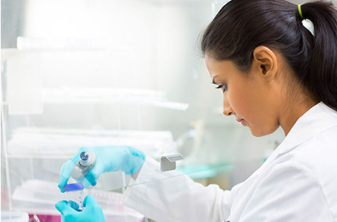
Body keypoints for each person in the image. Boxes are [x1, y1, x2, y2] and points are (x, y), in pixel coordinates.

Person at [55, 0, 337, 221]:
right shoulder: (310, 148)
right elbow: (222, 211)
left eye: (222, 85)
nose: (225, 109)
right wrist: (134, 164)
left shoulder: (304, 172)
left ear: (264, 64)